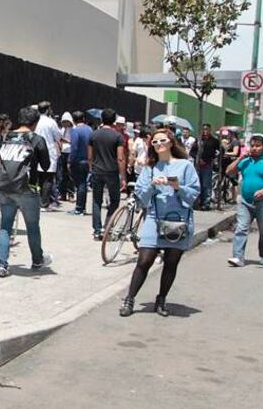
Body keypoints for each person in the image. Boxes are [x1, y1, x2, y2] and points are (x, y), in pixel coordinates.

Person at [119, 128, 198, 317]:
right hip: (154, 219)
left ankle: (161, 300)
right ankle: (129, 299)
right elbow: (142, 198)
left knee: (171, 262)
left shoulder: (185, 166)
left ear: (171, 142)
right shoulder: (149, 167)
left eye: (162, 140)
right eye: (154, 142)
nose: (159, 144)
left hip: (178, 220)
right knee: (144, 260)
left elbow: (194, 194)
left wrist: (176, 186)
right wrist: (152, 185)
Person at [0, 107, 53, 277]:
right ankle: (37, 260)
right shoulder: (36, 139)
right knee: (32, 226)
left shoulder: (6, 137)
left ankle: (2, 265)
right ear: (35, 123)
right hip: (27, 188)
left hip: (5, 187)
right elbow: (46, 165)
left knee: (5, 226)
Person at [226, 134, 263, 267]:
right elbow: (229, 171)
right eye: (252, 145)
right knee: (241, 228)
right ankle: (238, 257)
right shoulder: (245, 161)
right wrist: (241, 158)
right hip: (245, 202)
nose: (254, 148)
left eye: (258, 146)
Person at [88, 109, 127, 241]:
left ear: (101, 119)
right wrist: (123, 176)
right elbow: (120, 158)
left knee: (96, 200)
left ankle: (97, 230)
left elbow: (90, 156)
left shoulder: (94, 135)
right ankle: (107, 227)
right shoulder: (118, 137)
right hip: (112, 172)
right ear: (114, 120)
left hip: (97, 170)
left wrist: (91, 167)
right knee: (114, 200)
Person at [34, 102, 62, 210]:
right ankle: (44, 204)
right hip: (48, 151)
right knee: (48, 179)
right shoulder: (51, 122)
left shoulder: (35, 120)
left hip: (36, 151)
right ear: (47, 110)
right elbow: (58, 135)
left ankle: (38, 202)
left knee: (38, 177)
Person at [189, 123, 221, 211]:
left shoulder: (214, 141)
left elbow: (221, 151)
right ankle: (196, 203)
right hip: (198, 165)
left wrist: (214, 159)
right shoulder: (198, 140)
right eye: (203, 129)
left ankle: (206, 203)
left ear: (210, 130)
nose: (205, 131)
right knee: (197, 184)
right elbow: (192, 152)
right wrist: (198, 158)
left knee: (206, 185)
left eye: (207, 129)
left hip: (207, 165)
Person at [68, 111, 92, 215]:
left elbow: (74, 147)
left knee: (80, 185)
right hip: (87, 160)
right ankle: (83, 207)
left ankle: (79, 208)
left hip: (78, 160)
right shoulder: (90, 129)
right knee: (84, 184)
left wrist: (69, 160)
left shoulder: (75, 131)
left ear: (73, 120)